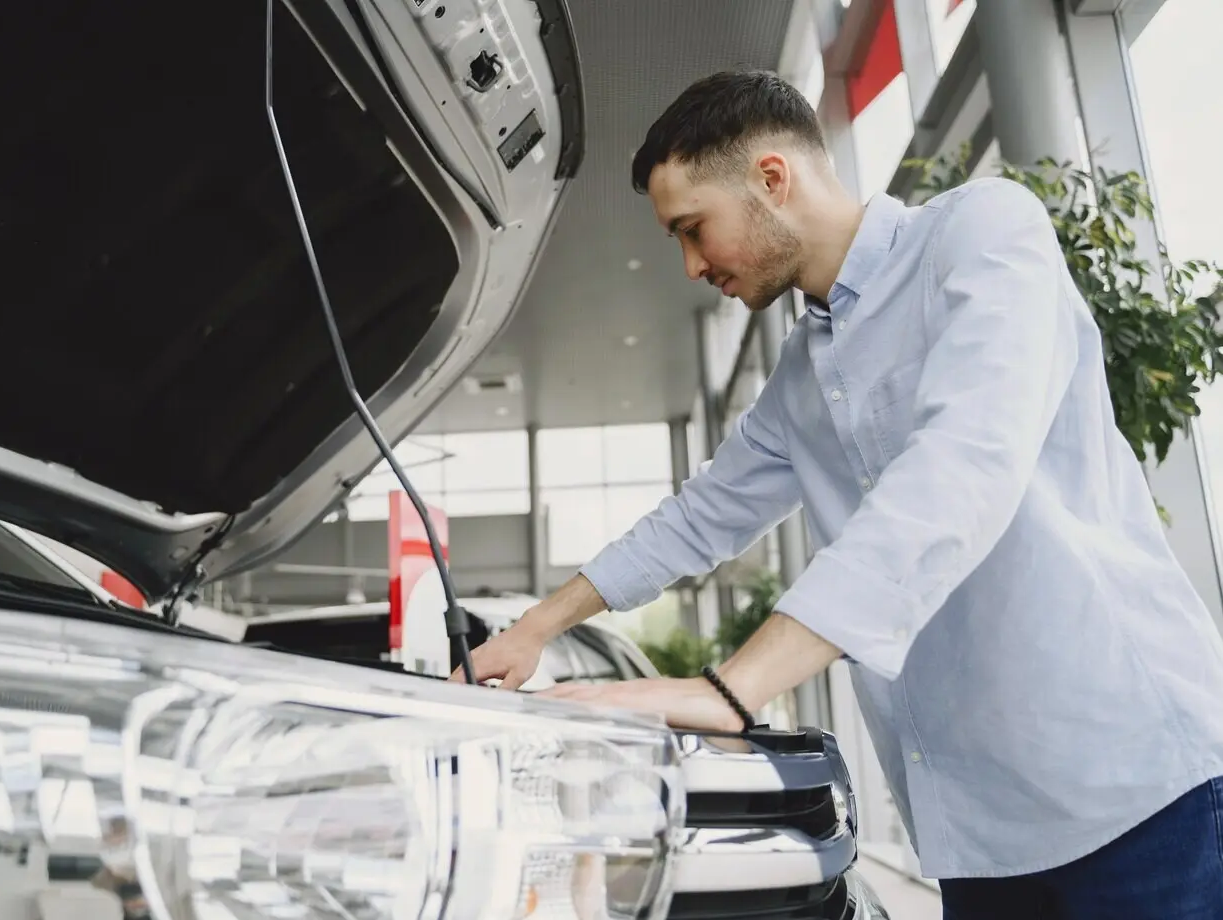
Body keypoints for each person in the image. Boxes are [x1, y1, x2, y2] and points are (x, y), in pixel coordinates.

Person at [450, 70, 1223, 918]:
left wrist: (731, 689)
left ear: (771, 178)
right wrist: (534, 628)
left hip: (1142, 792)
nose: (692, 265)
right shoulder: (799, 378)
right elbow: (697, 518)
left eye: (693, 229)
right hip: (981, 834)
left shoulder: (983, 233)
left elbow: (962, 469)